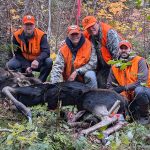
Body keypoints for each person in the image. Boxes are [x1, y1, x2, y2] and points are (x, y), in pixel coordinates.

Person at [107, 40, 150, 125]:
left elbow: (141, 82)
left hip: (145, 92)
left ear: (130, 49)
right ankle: (122, 118)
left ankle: (145, 116)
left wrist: (124, 88)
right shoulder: (115, 66)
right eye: (121, 48)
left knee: (140, 91)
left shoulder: (139, 61)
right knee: (118, 98)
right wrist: (120, 94)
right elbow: (109, 86)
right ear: (118, 50)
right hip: (128, 97)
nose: (123, 50)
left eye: (126, 48)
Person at [6, 15, 53, 82]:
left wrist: (37, 60)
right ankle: (20, 81)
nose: (29, 26)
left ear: (34, 25)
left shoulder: (41, 35)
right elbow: (17, 54)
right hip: (23, 60)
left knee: (49, 62)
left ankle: (40, 82)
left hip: (37, 62)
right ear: (23, 25)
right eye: (26, 24)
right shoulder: (16, 35)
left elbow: (46, 52)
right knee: (10, 65)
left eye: (31, 24)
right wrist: (26, 65)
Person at [82, 16, 123, 88]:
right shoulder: (88, 33)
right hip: (102, 66)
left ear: (97, 23)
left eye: (92, 25)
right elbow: (77, 37)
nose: (91, 29)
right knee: (97, 81)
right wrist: (66, 42)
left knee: (105, 84)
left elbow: (118, 55)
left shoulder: (109, 33)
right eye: (88, 27)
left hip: (116, 65)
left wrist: (113, 73)